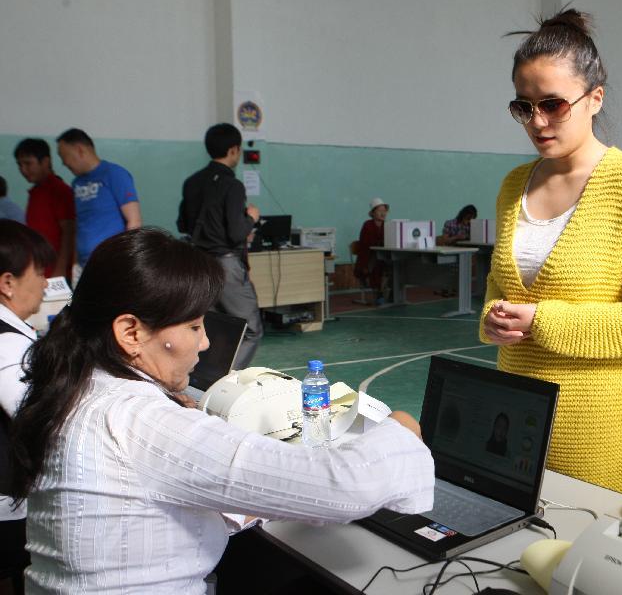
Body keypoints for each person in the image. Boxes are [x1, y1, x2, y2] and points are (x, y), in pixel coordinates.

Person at [7, 228, 434, 593]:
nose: (206, 342)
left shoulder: (79, 389)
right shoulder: (138, 420)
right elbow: (344, 487)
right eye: (193, 326)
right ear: (130, 332)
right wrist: (398, 429)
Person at [480, 9, 622, 497]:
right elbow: (504, 282)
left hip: (595, 438)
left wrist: (542, 322)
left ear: (594, 98)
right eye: (523, 106)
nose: (537, 121)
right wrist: (493, 315)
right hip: (515, 424)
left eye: (553, 104)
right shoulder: (514, 184)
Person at [178, 123, 263, 370]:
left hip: (197, 263)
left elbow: (182, 223)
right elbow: (236, 233)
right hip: (224, 264)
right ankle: (223, 384)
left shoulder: (191, 182)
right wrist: (251, 218)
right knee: (250, 330)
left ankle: (201, 382)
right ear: (234, 150)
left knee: (211, 328)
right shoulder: (232, 185)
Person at [0, 221, 54, 595]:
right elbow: (45, 423)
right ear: (7, 283)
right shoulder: (7, 349)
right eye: (39, 272)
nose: (46, 283)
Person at [56, 128, 142, 269]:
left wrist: (126, 261)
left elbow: (134, 221)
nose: (63, 163)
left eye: (63, 156)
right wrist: (75, 264)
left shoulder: (115, 174)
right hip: (83, 265)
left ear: (80, 150)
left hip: (112, 263)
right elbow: (80, 224)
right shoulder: (77, 183)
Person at [14, 138, 76, 282]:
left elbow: (69, 232)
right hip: (40, 271)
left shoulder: (60, 191)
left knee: (64, 305)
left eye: (28, 163)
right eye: (20, 165)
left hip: (58, 275)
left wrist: (60, 271)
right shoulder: (35, 192)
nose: (23, 170)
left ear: (46, 161)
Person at [354, 197, 390, 305]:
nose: (383, 213)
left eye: (384, 211)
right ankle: (379, 294)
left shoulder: (387, 225)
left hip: (383, 255)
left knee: (393, 265)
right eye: (380, 211)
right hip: (368, 257)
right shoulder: (367, 225)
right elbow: (365, 244)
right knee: (378, 264)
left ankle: (392, 294)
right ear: (373, 213)